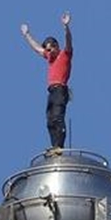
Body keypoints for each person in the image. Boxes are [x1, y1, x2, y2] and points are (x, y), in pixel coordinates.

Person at [20, 12, 73, 152]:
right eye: (47, 49)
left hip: (60, 89)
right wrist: (27, 35)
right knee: (50, 120)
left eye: (50, 48)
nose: (49, 51)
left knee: (57, 117)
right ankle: (54, 146)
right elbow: (37, 48)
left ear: (56, 46)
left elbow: (68, 42)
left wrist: (66, 27)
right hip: (52, 91)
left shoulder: (64, 55)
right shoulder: (50, 58)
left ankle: (59, 146)